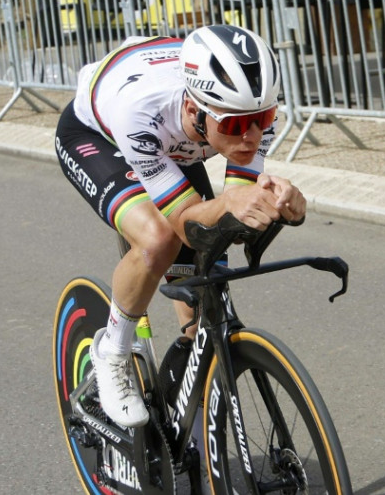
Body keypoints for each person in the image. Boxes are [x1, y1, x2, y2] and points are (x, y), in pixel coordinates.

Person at [54, 25, 306, 427]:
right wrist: (226, 205)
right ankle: (113, 355)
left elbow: (234, 206)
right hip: (101, 136)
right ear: (194, 110)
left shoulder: (246, 110)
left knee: (206, 277)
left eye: (264, 119)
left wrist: (283, 204)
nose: (254, 135)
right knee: (159, 239)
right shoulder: (139, 111)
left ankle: (185, 379)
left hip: (180, 140)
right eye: (238, 127)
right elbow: (186, 222)